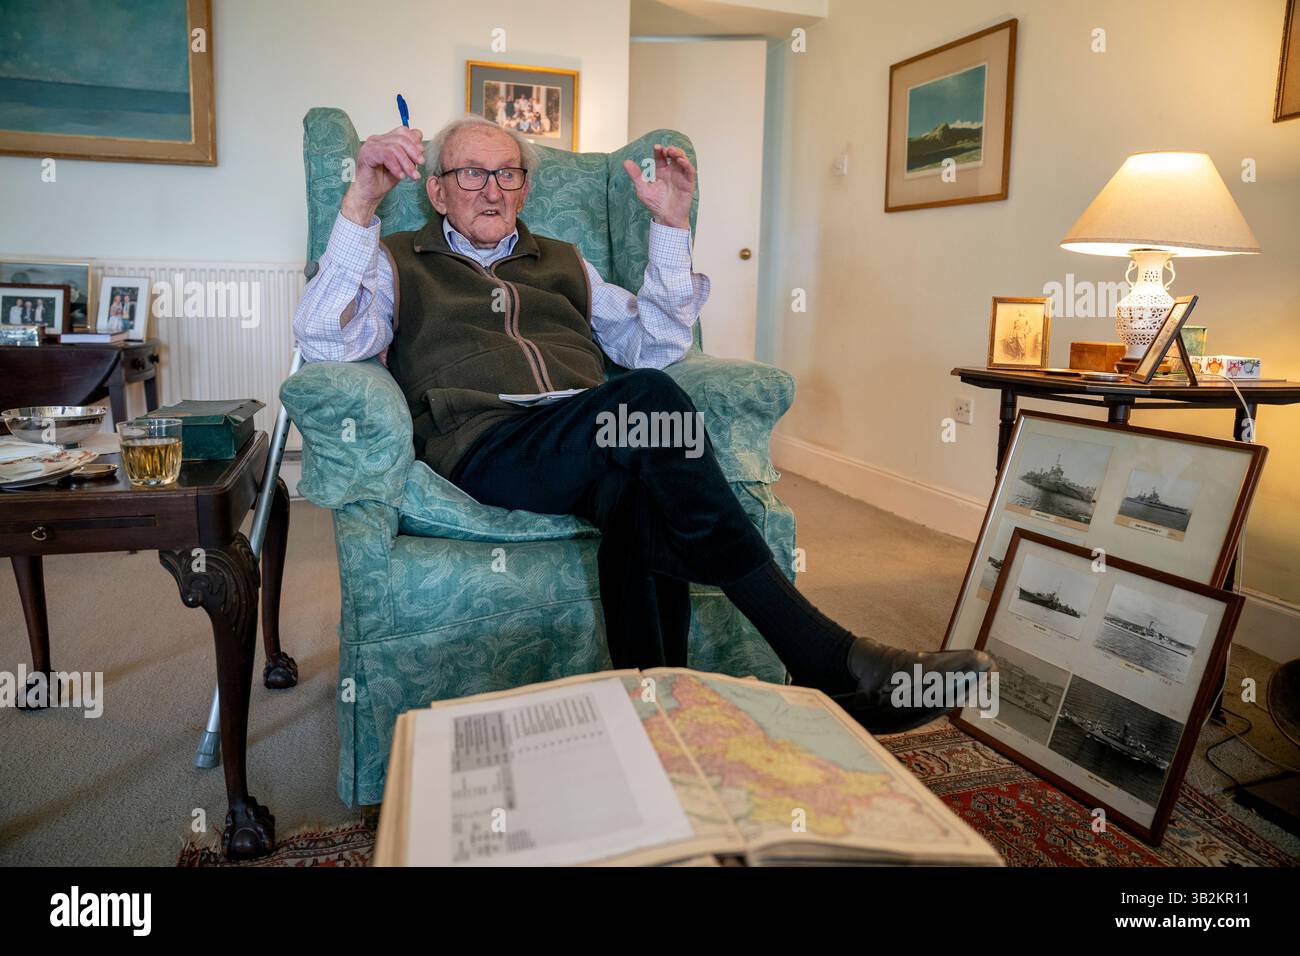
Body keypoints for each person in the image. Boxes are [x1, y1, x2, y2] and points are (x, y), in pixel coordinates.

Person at [292, 114, 992, 733]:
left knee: (645, 494)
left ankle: (657, 715)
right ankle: (824, 655)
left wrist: (669, 225)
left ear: (524, 189)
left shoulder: (565, 262)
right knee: (649, 406)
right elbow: (322, 342)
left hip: (585, 437)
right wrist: (360, 203)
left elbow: (656, 340)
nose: (493, 188)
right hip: (483, 443)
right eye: (471, 172)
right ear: (437, 189)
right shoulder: (394, 261)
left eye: (508, 173)